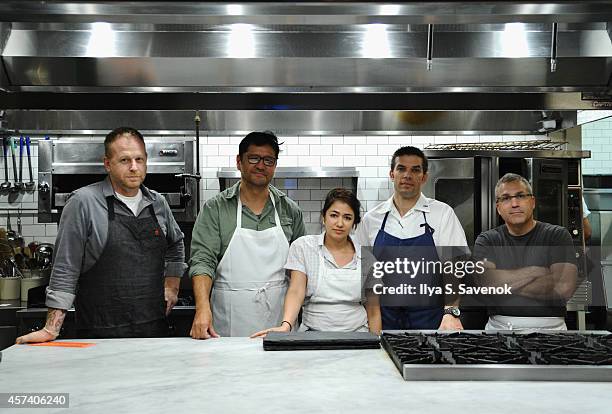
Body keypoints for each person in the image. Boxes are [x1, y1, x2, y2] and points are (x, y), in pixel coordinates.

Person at [16, 127, 185, 342]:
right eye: (124, 160)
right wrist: (51, 328)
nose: (134, 167)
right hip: (98, 334)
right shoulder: (83, 203)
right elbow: (66, 267)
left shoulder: (157, 203)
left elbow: (176, 244)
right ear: (108, 164)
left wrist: (172, 286)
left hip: (153, 333)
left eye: (139, 160)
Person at [189, 131, 306, 338]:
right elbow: (202, 261)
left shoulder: (289, 210)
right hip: (228, 327)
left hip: (278, 326)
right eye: (254, 158)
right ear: (239, 162)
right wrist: (202, 308)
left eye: (268, 160)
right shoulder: (215, 209)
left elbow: (300, 270)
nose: (261, 165)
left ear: (275, 166)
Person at [355, 146, 468, 331]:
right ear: (392, 174)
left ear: (424, 177)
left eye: (415, 170)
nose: (407, 175)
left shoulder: (442, 214)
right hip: (382, 320)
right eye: (401, 168)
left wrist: (451, 311)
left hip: (431, 319)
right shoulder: (371, 219)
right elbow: (362, 272)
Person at [251, 188, 381, 337]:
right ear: (323, 217)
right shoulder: (303, 247)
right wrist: (286, 325)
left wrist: (375, 343)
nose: (339, 223)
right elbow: (296, 290)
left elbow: (373, 310)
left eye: (347, 217)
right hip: (312, 335)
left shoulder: (367, 259)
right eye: (333, 215)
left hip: (357, 336)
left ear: (354, 223)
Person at [473, 173, 578, 332]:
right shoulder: (487, 240)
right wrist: (534, 272)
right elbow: (485, 285)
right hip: (499, 330)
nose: (514, 203)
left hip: (551, 331)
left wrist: (503, 282)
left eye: (521, 196)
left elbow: (563, 288)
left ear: (532, 202)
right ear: (498, 208)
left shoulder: (557, 235)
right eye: (506, 198)